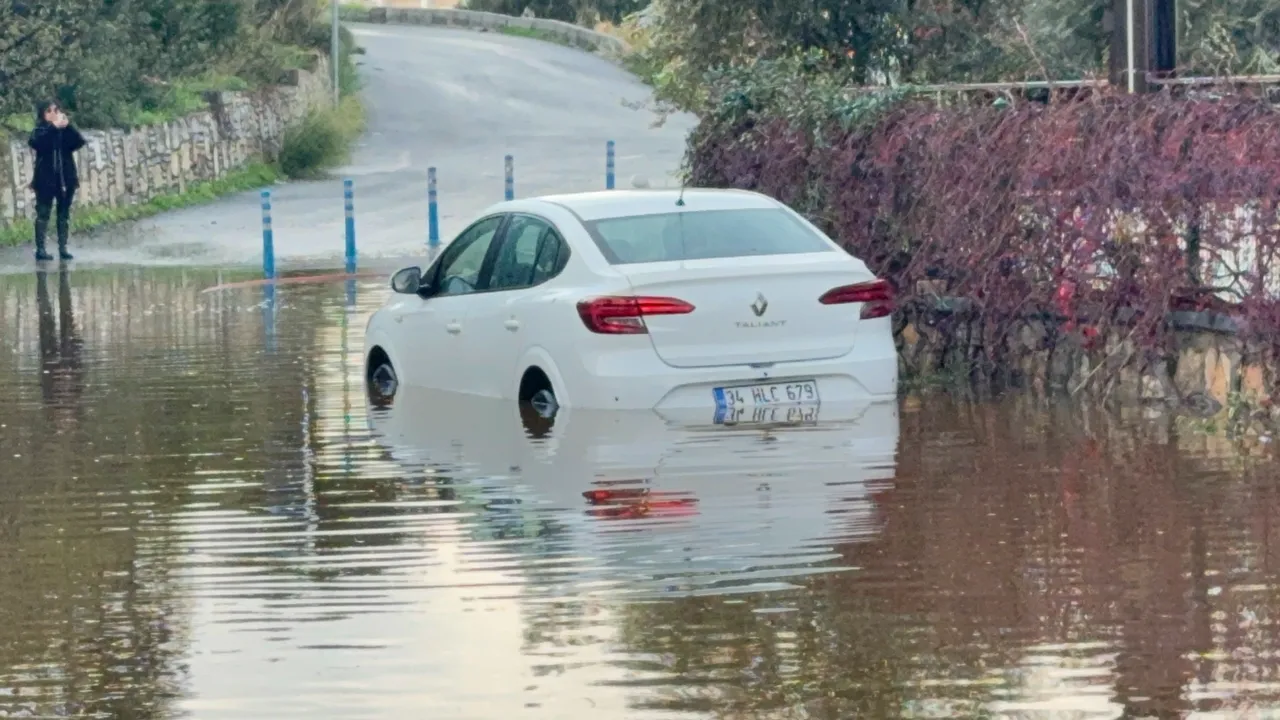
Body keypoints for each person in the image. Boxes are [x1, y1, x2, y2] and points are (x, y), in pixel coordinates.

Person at [28, 101, 86, 262]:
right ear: (43, 114)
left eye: (56, 110)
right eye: (49, 111)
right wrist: (53, 128)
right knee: (43, 213)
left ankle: (63, 248)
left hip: (65, 178)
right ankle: (41, 249)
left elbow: (79, 142)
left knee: (63, 214)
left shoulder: (64, 131)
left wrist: (68, 126)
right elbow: (37, 143)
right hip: (45, 179)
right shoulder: (40, 130)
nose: (53, 113)